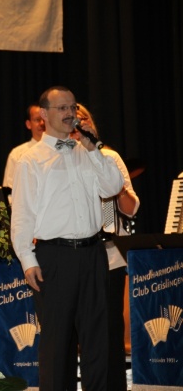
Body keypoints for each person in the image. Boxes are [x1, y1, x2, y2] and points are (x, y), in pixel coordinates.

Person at [10, 86, 124, 391]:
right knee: (57, 342)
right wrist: (27, 259)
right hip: (54, 256)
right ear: (43, 115)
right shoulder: (30, 159)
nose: (69, 113)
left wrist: (94, 149)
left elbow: (113, 187)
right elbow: (22, 214)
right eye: (61, 108)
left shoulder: (88, 152)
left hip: (93, 252)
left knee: (97, 338)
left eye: (72, 107)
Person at [66, 103, 140, 391]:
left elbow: (131, 209)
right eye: (73, 120)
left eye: (83, 119)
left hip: (108, 253)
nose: (78, 125)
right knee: (72, 329)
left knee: (109, 329)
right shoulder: (58, 159)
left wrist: (116, 184)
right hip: (70, 254)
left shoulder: (109, 157)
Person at [2, 103, 45, 192]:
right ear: (28, 124)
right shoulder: (17, 153)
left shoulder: (58, 150)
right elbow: (9, 189)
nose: (42, 123)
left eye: (44, 119)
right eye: (37, 120)